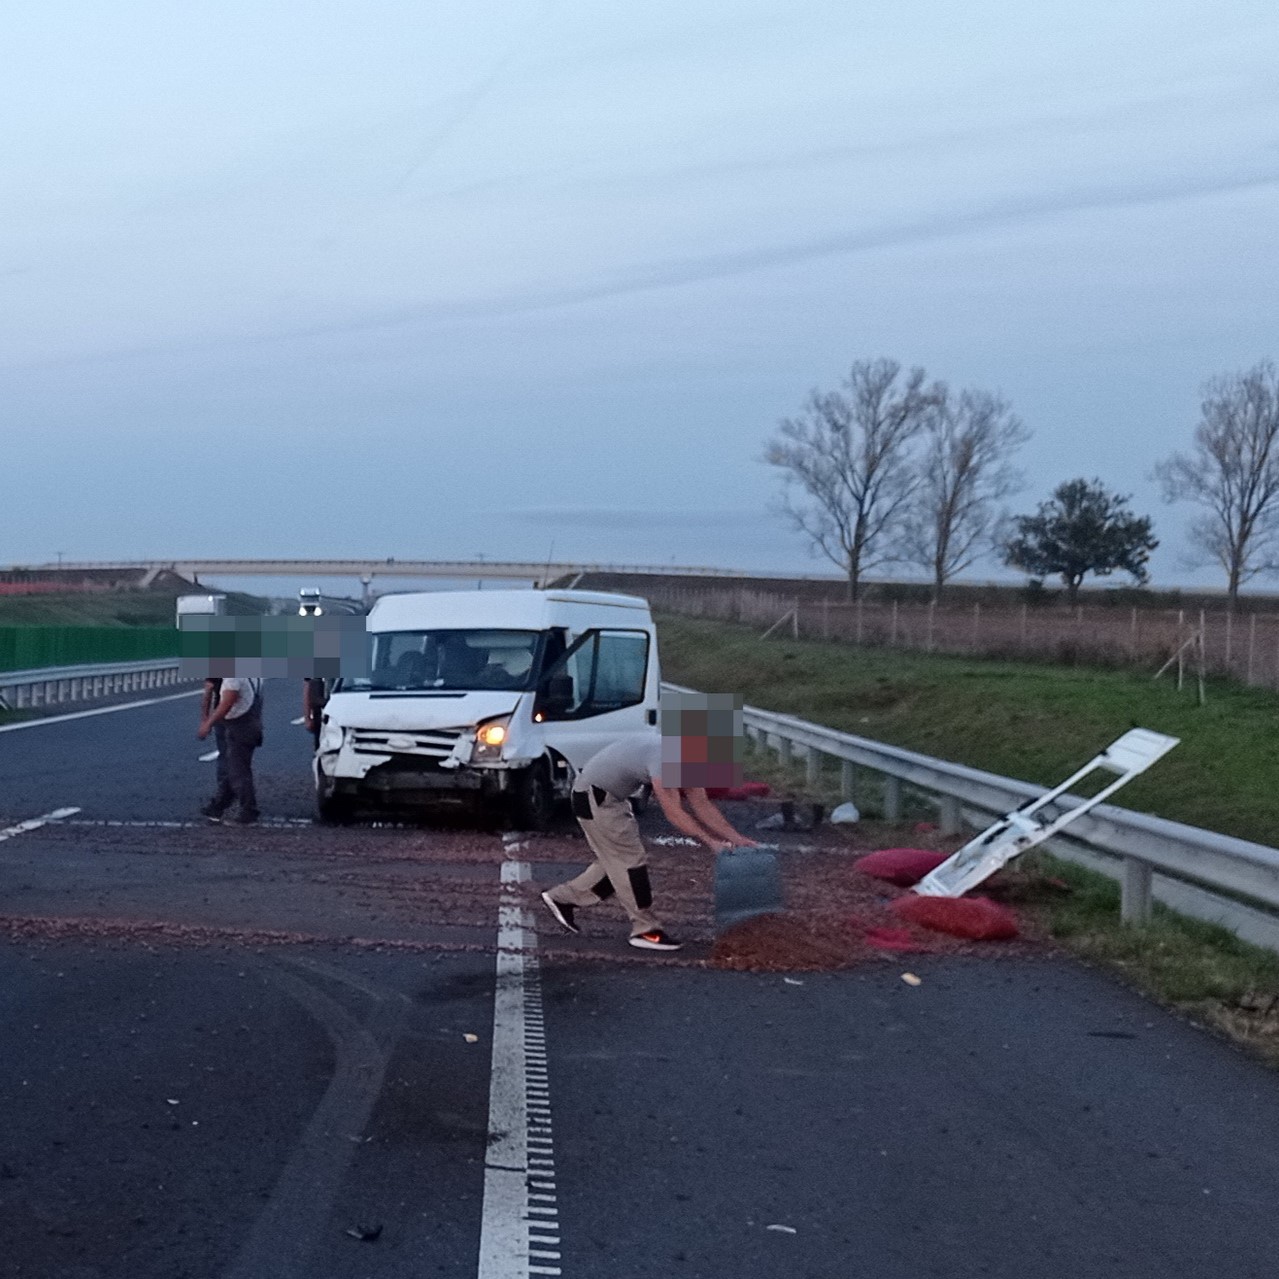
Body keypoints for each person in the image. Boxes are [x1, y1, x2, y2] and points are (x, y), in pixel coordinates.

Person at [540, 733, 756, 951]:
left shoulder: (684, 754)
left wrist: (737, 838)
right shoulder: (666, 760)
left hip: (606, 798)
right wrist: (710, 842)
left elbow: (701, 804)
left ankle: (563, 898)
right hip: (594, 799)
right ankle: (645, 930)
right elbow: (674, 813)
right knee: (629, 862)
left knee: (616, 861)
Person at [198, 675, 264, 824]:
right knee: (235, 768)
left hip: (239, 726)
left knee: (238, 772)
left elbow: (227, 701)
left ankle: (249, 811)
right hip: (252, 723)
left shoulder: (233, 676)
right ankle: (218, 806)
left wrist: (208, 722)